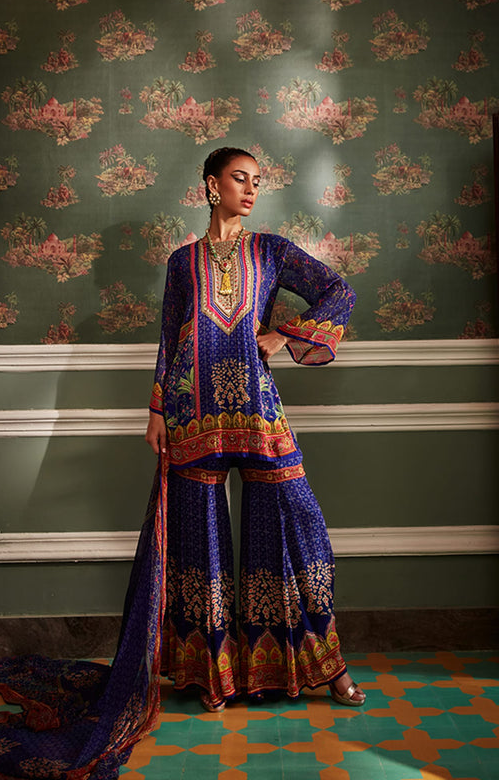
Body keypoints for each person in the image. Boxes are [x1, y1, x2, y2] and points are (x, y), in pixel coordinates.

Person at [145, 146, 365, 712]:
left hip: (257, 409)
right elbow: (170, 342)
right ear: (212, 185)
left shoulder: (270, 251)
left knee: (298, 525)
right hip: (192, 416)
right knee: (199, 542)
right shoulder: (181, 262)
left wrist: (287, 335)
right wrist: (154, 411)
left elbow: (339, 290)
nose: (251, 189)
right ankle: (209, 674)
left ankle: (328, 665)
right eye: (239, 179)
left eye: (257, 181)